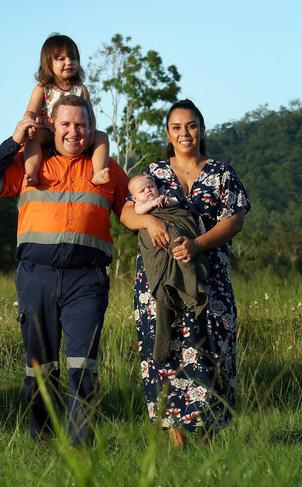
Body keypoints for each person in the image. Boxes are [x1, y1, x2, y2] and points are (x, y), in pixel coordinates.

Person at [0, 95, 129, 445]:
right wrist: (13, 142)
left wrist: (155, 220)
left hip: (86, 281)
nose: (74, 132)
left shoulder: (108, 170)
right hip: (35, 277)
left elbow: (129, 213)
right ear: (52, 127)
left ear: (92, 128)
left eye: (82, 125)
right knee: (39, 368)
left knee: (83, 367)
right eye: (67, 124)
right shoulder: (30, 164)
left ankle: (80, 448)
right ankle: (42, 440)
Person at [120, 99, 250, 448]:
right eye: (176, 127)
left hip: (209, 276)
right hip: (159, 279)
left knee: (211, 348)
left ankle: (207, 434)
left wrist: (197, 244)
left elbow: (235, 220)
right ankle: (176, 436)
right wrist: (150, 219)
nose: (184, 133)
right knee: (165, 350)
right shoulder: (154, 173)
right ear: (168, 133)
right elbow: (126, 214)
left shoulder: (221, 172)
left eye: (191, 125)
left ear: (201, 129)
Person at [128, 173, 209, 363]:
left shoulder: (164, 197)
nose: (148, 191)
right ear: (134, 198)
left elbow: (177, 205)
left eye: (151, 187)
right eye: (142, 190)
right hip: (157, 244)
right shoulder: (140, 206)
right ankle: (162, 342)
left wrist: (166, 200)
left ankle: (190, 279)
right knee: (163, 289)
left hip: (177, 231)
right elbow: (139, 212)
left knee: (176, 235)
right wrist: (154, 205)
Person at [23, 33, 110, 187]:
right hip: (48, 132)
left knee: (102, 137)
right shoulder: (43, 89)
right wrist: (28, 124)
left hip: (75, 134)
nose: (69, 62)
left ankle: (98, 172)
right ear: (48, 63)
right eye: (61, 59)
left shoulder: (81, 89)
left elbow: (89, 115)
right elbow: (31, 111)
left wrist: (91, 131)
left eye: (73, 58)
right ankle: (31, 173)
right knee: (32, 139)